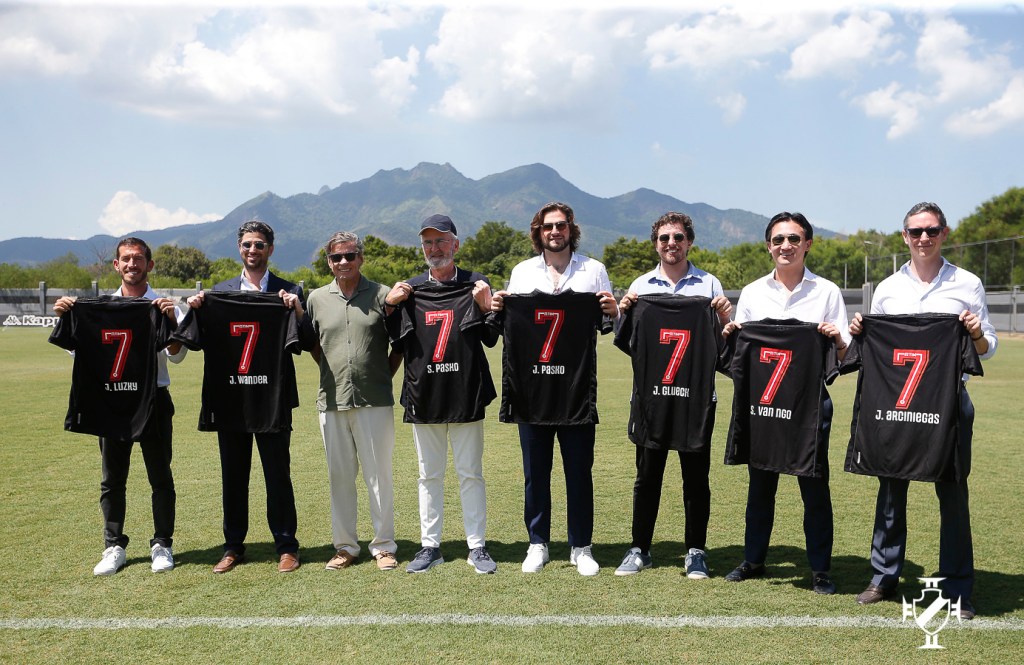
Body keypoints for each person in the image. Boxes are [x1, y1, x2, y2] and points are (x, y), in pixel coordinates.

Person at [850, 202, 996, 620]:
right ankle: (883, 576)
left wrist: (975, 335)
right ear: (904, 236)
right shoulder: (887, 288)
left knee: (952, 493)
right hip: (896, 404)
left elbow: (987, 347)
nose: (923, 238)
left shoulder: (967, 283)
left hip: (948, 403)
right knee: (891, 490)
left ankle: (958, 588)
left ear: (944, 233)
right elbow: (873, 347)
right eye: (915, 232)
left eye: (931, 230)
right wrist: (861, 329)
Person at [722, 212, 849, 595]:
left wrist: (836, 340)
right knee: (760, 485)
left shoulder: (827, 292)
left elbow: (845, 357)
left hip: (809, 408)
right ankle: (754, 559)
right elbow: (739, 358)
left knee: (814, 488)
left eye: (794, 239)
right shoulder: (753, 292)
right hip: (762, 406)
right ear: (768, 245)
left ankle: (820, 569)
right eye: (778, 240)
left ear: (807, 244)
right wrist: (730, 336)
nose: (785, 246)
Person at [491, 201, 619, 576]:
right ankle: (538, 543)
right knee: (535, 473)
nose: (555, 232)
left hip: (576, 390)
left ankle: (582, 546)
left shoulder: (594, 270)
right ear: (538, 232)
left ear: (571, 229)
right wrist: (500, 307)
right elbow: (511, 327)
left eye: (561, 225)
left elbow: (608, 325)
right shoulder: (521, 272)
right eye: (548, 226)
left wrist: (613, 311)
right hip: (533, 391)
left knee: (580, 471)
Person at [53, 237, 187, 575]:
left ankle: (162, 544)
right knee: (112, 479)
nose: (132, 265)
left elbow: (179, 355)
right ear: (116, 265)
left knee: (161, 476)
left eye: (138, 259)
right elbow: (79, 353)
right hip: (111, 400)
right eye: (126, 259)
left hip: (154, 399)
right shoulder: (98, 307)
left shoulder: (164, 304)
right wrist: (69, 315)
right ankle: (113, 545)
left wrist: (171, 322)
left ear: (149, 265)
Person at [614, 212, 732, 578]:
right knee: (647, 476)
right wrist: (624, 312)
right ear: (656, 243)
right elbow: (627, 341)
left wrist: (726, 318)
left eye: (678, 237)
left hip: (696, 400)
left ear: (689, 242)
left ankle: (696, 550)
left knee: (696, 477)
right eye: (664, 238)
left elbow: (724, 344)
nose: (671, 244)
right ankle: (640, 548)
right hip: (651, 400)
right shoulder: (641, 286)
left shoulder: (709, 285)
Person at [184, 220, 306, 574]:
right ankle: (233, 546)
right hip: (231, 398)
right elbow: (189, 343)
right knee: (233, 475)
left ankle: (286, 545)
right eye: (247, 244)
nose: (253, 250)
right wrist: (196, 307)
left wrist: (296, 308)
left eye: (259, 245)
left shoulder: (288, 291)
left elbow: (307, 341)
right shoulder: (216, 294)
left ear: (270, 249)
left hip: (272, 397)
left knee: (277, 475)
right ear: (239, 248)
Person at [385, 214, 499, 574]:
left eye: (441, 241)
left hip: (466, 390)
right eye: (428, 243)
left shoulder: (476, 283)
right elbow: (394, 339)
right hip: (424, 391)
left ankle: (477, 545)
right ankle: (430, 545)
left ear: (456, 244)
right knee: (428, 474)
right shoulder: (410, 290)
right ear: (423, 248)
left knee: (471, 472)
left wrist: (484, 306)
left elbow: (492, 337)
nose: (435, 248)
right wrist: (390, 306)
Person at [306, 231, 402, 572]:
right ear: (328, 261)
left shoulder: (382, 295)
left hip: (374, 401)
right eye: (336, 257)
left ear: (360, 258)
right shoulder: (316, 299)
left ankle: (384, 546)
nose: (343, 262)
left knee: (379, 476)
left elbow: (399, 345)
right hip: (331, 403)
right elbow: (314, 345)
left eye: (349, 256)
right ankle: (345, 547)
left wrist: (379, 377)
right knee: (340, 478)